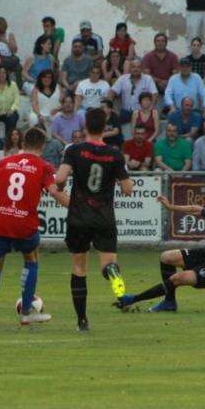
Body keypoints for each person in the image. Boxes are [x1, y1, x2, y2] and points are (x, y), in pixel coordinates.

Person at [0, 127, 68, 326]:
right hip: (25, 223)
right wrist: (77, 206)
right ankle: (26, 312)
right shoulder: (43, 166)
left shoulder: (4, 162)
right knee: (31, 260)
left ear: (23, 143)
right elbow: (55, 192)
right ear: (42, 146)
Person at [53, 107, 133, 331]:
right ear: (105, 127)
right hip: (104, 217)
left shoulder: (74, 150)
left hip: (79, 216)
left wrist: (60, 186)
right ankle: (113, 273)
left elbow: (60, 178)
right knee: (107, 262)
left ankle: (82, 320)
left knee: (79, 267)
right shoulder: (114, 154)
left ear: (85, 126)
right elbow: (127, 189)